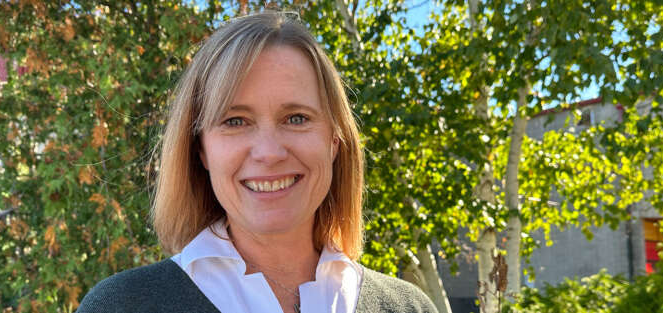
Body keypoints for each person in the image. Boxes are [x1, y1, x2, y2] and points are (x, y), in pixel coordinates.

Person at [77, 11, 437, 313]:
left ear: (334, 141)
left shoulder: (408, 307)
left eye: (296, 118)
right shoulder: (123, 305)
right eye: (235, 121)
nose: (269, 152)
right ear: (199, 149)